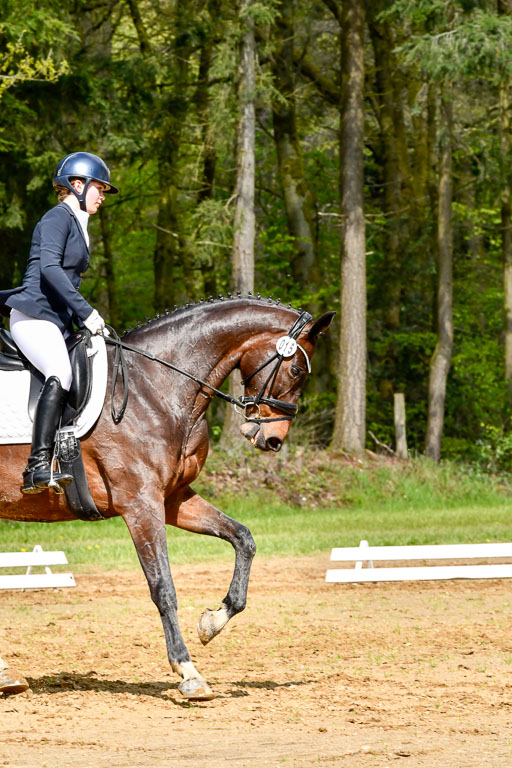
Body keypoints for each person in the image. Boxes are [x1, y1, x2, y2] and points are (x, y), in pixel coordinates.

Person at [0, 152, 119, 494]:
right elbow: (50, 270)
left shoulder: (78, 223)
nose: (102, 195)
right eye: (99, 187)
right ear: (76, 185)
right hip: (33, 316)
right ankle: (36, 466)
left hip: (56, 322)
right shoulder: (58, 217)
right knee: (61, 372)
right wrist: (87, 312)